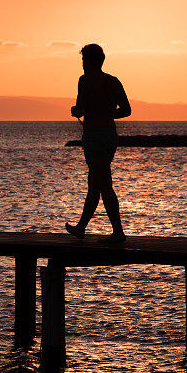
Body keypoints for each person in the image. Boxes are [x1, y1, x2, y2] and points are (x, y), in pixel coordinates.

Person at [65, 43, 131, 243]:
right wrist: (108, 112)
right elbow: (126, 110)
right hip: (110, 136)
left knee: (103, 185)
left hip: (94, 136)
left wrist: (76, 111)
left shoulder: (84, 81)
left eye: (84, 60)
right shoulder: (113, 81)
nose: (82, 64)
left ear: (90, 61)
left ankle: (118, 232)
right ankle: (81, 228)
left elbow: (81, 108)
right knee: (96, 184)